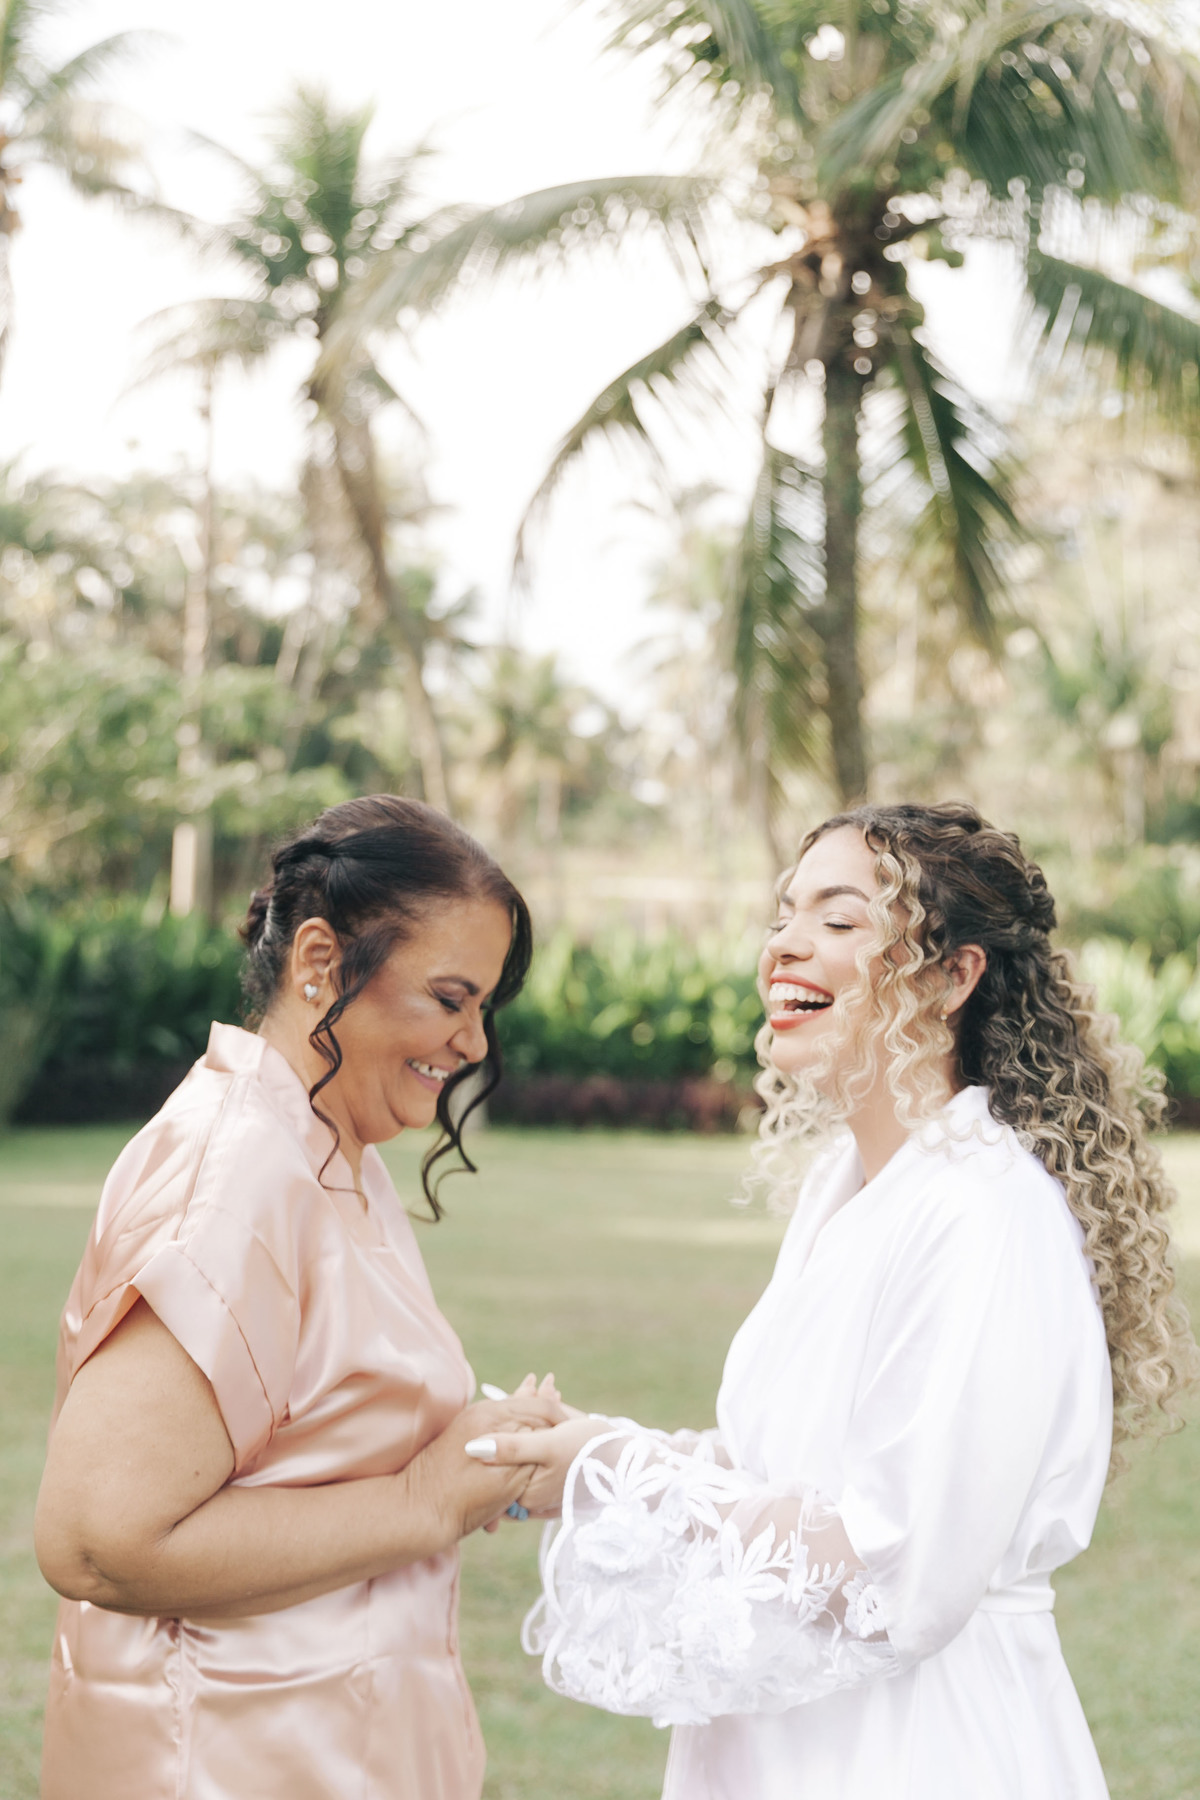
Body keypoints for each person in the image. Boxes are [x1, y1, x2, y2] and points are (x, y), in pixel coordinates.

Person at [467, 801, 1197, 1800]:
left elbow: (897, 1572)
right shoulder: (845, 1186)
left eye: (839, 918)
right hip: (789, 1736)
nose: (784, 945)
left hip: (915, 1749)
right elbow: (796, 1470)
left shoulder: (981, 1213)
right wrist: (595, 1453)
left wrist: (615, 1473)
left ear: (951, 976)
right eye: (783, 914)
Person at [34, 795, 562, 1800]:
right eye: (451, 999)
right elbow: (99, 1540)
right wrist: (422, 1500)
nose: (474, 1043)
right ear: (320, 960)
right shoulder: (237, 1173)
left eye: (483, 1008)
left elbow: (305, 1441)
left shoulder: (329, 1151)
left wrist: (473, 1452)